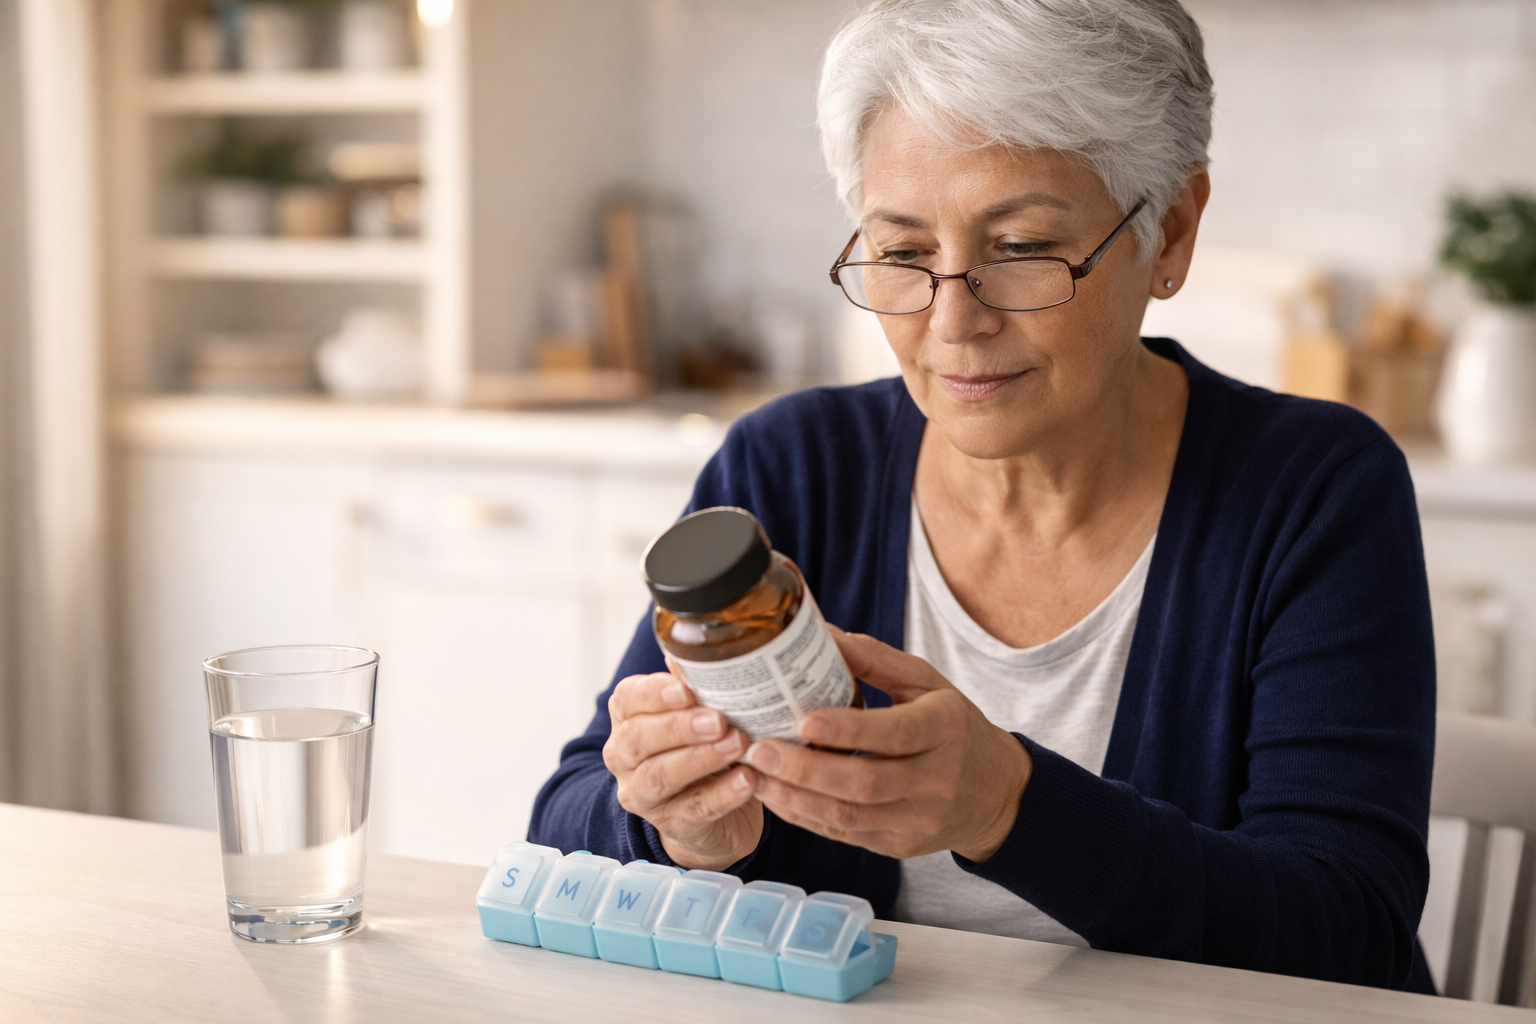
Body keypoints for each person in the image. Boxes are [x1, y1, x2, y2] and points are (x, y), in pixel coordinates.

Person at [531, 0, 1436, 993]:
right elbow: (565, 821)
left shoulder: (1313, 490)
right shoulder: (789, 468)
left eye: (1019, 246)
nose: (954, 321)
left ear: (1169, 232)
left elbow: (1350, 931)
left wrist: (1010, 806)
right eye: (904, 252)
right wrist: (673, 822)